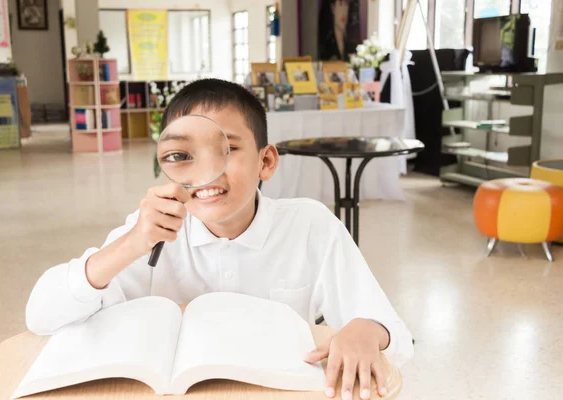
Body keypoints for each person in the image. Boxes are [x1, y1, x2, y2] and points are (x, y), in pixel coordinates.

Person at [25, 78, 413, 400]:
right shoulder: (148, 231)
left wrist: (367, 330)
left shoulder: (310, 226)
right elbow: (41, 316)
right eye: (181, 155)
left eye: (224, 149)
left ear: (266, 162)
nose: (206, 173)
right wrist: (130, 243)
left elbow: (396, 336)